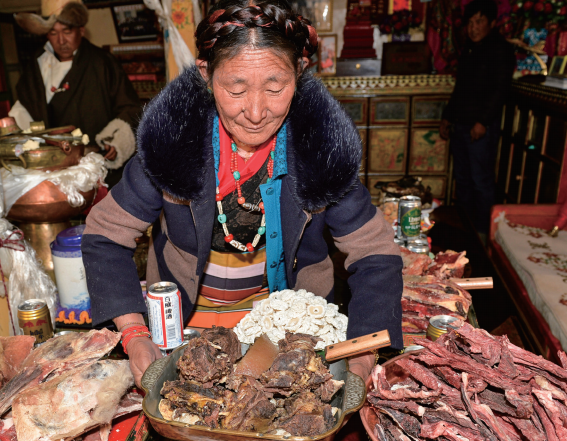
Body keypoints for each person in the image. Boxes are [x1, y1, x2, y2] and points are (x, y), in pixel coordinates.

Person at [81, 0, 404, 387]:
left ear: (299, 74)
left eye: (275, 87)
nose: (255, 111)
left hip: (289, 334)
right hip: (185, 328)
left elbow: (376, 254)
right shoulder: (173, 143)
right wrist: (134, 335)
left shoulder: (320, 149)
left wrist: (363, 352)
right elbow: (105, 236)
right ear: (206, 75)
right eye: (235, 88)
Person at [11, 0, 143, 178]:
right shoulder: (38, 63)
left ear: (81, 30)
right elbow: (26, 106)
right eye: (53, 33)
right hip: (53, 162)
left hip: (96, 161)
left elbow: (129, 106)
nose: (61, 40)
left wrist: (116, 139)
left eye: (67, 31)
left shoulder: (101, 62)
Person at [439, 0, 514, 237]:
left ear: (492, 23)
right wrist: (447, 118)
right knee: (463, 181)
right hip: (461, 125)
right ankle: (466, 230)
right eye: (470, 23)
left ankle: (484, 233)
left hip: (481, 127)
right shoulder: (468, 50)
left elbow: (499, 90)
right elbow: (460, 89)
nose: (473, 28)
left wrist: (483, 121)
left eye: (479, 22)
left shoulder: (500, 49)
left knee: (481, 181)